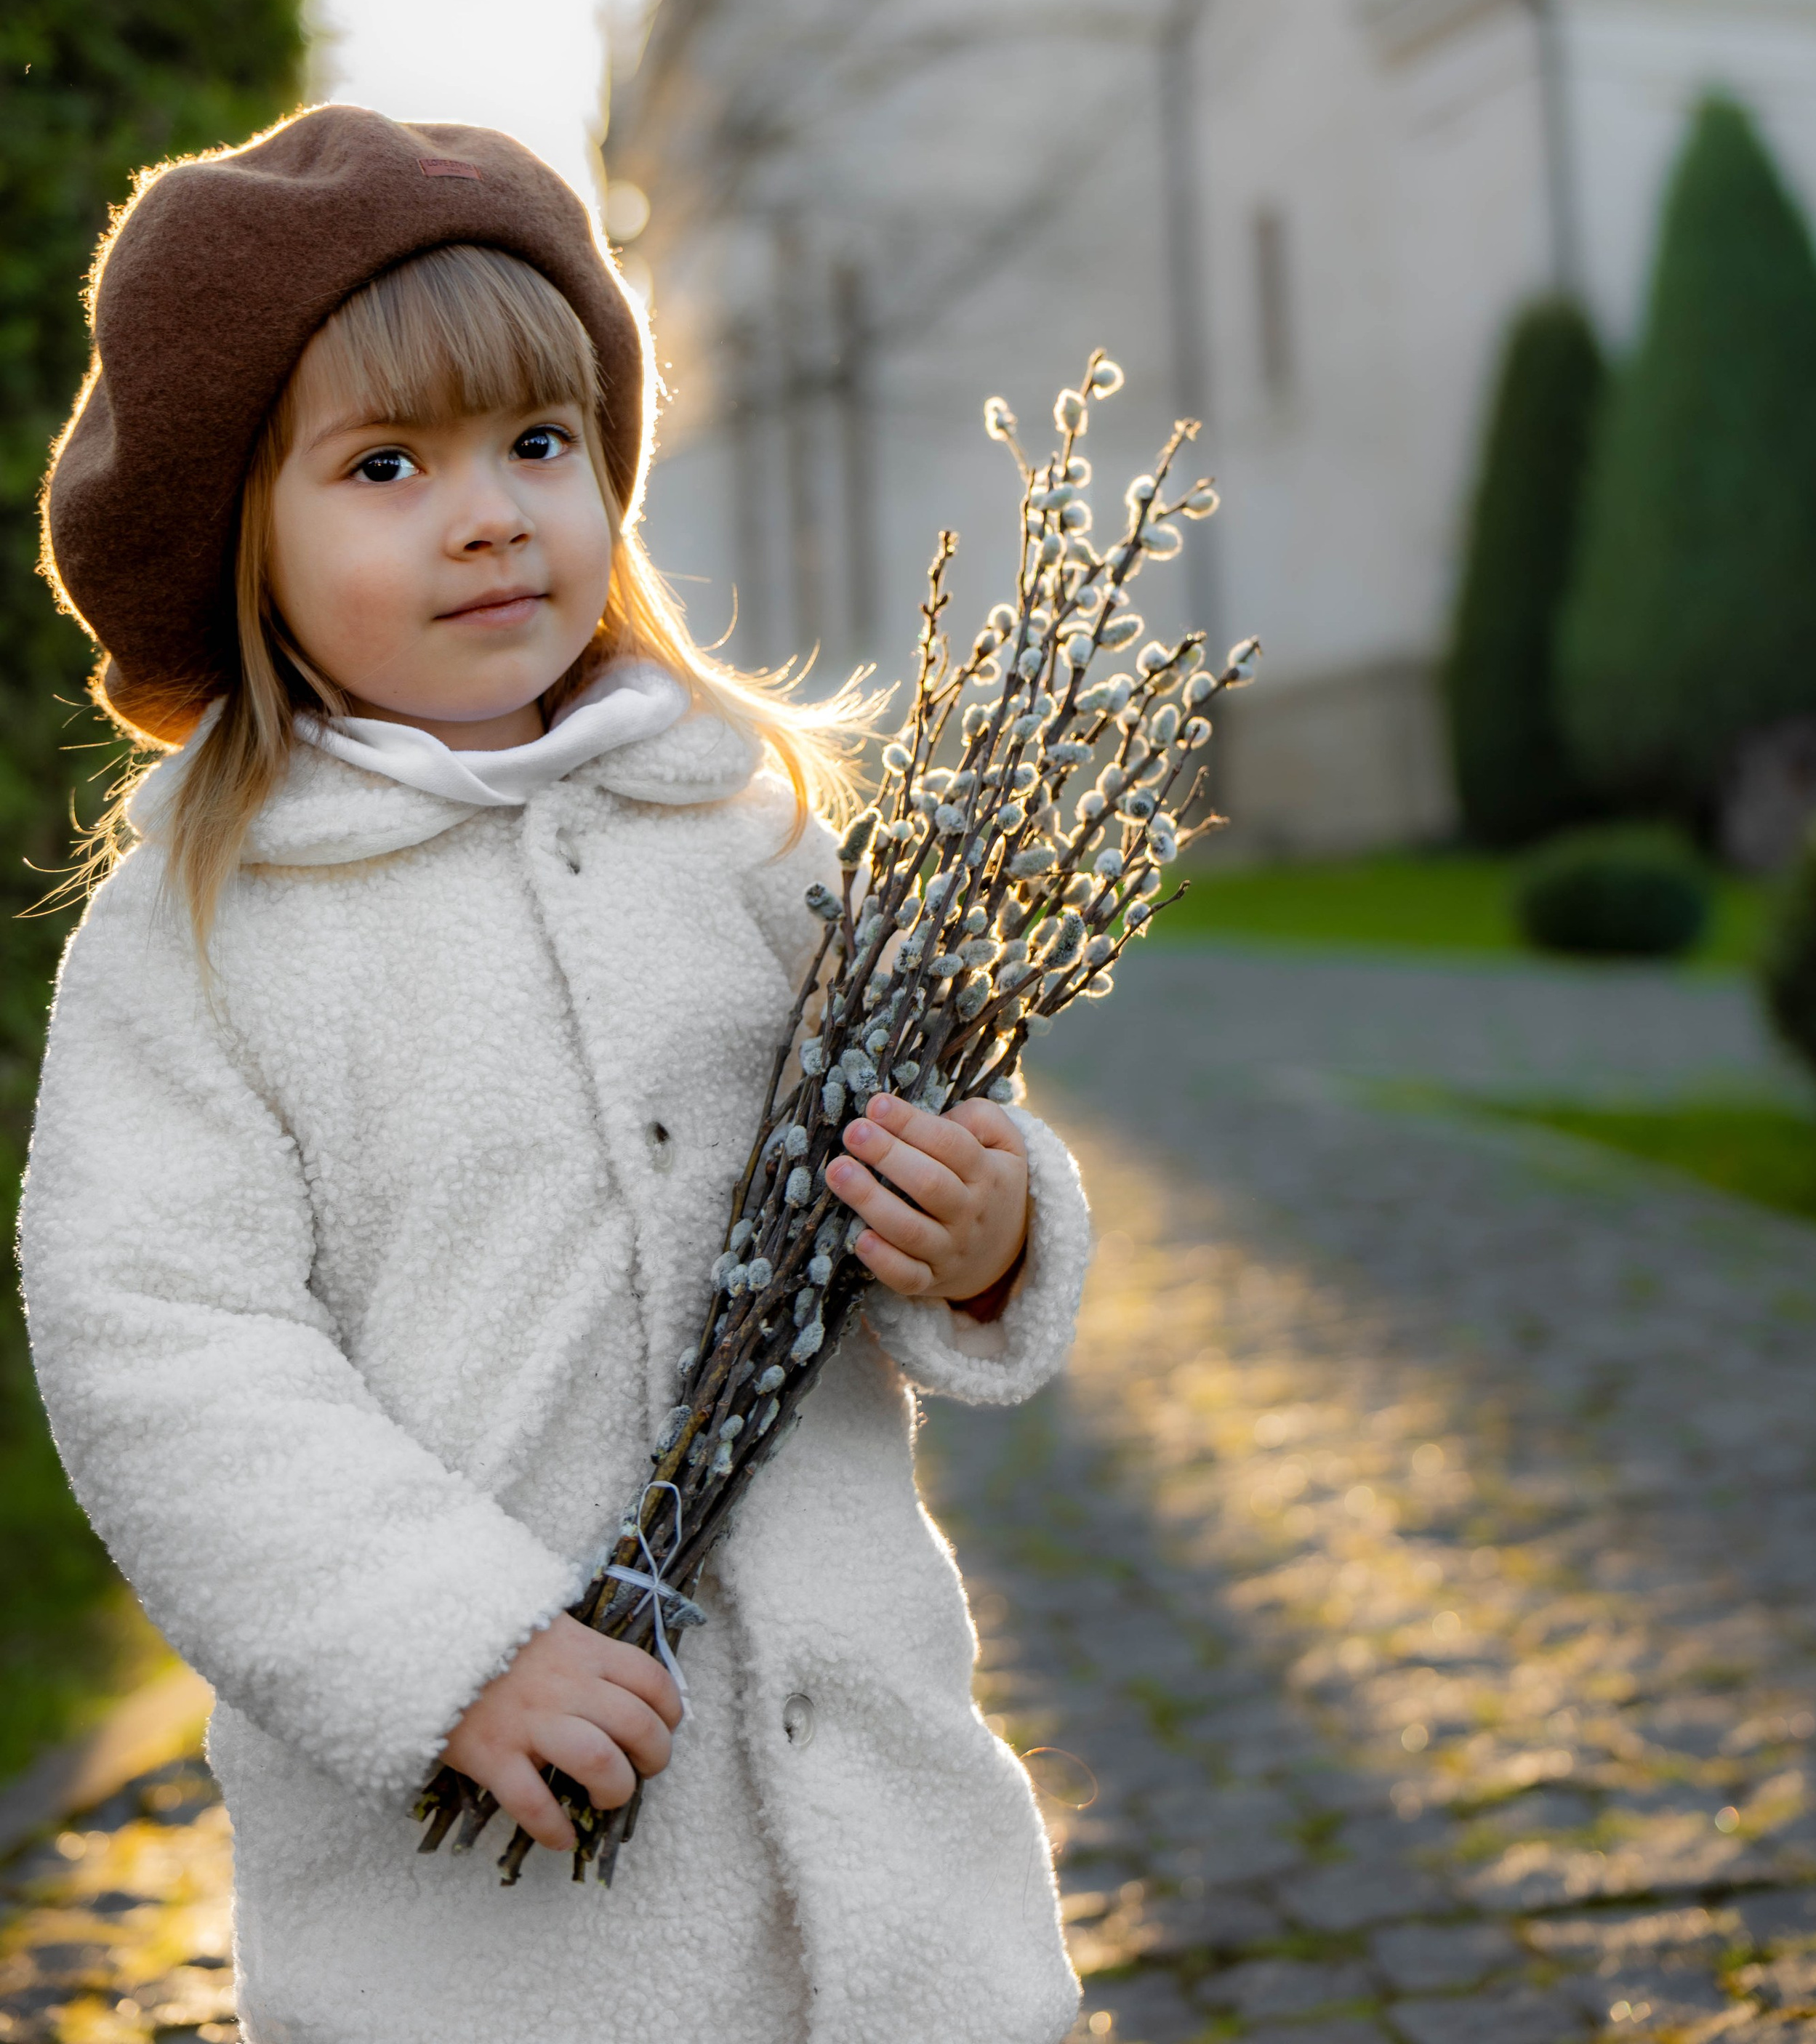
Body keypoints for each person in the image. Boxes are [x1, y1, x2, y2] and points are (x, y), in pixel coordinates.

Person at [18, 105, 1091, 2044]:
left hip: (885, 1878)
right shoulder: (211, 926)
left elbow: (917, 1138)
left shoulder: (744, 832)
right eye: (386, 465)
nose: (492, 512)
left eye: (537, 441)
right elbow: (161, 1341)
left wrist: (990, 1227)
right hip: (493, 1944)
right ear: (242, 536)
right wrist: (454, 1642)